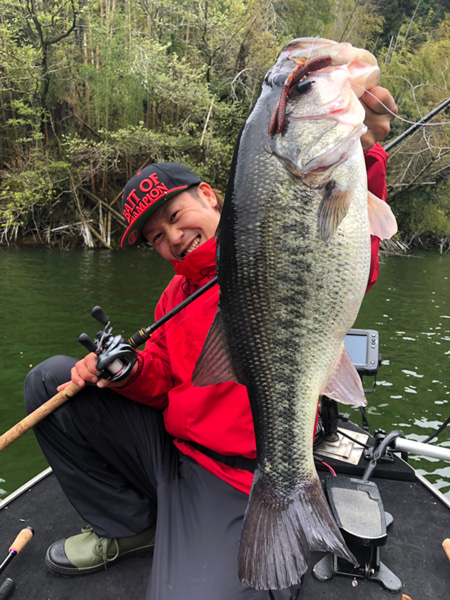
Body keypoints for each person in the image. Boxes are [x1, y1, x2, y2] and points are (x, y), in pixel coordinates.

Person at [24, 86, 397, 600]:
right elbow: (163, 380)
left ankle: (278, 508)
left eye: (175, 217)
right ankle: (132, 525)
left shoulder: (275, 251)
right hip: (171, 451)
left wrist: (368, 152)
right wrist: (127, 372)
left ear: (208, 195)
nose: (172, 238)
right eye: (156, 237)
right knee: (49, 381)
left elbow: (350, 249)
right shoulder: (176, 293)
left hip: (234, 473)